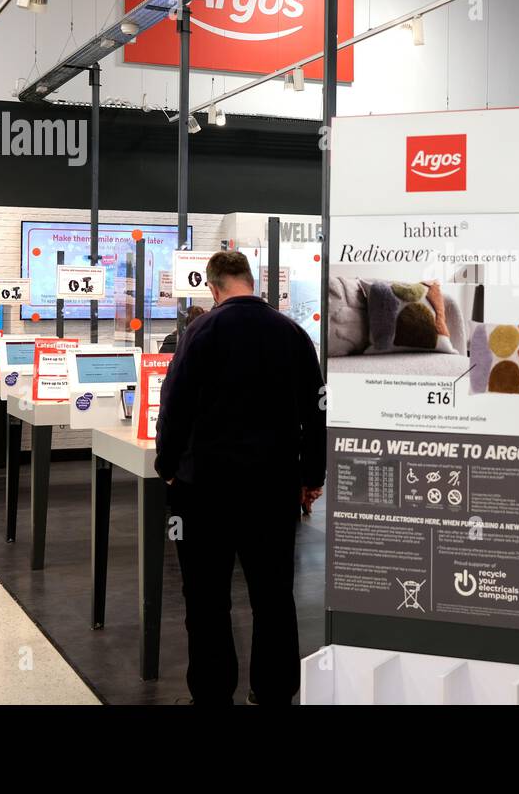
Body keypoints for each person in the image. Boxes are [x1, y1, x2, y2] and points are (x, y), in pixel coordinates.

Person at [154, 250, 325, 705]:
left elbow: (174, 408)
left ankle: (212, 693)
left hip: (204, 490)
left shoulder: (199, 332)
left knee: (207, 600)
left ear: (212, 288)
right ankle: (273, 691)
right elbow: (316, 409)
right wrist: (311, 476)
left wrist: (167, 468)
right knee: (273, 598)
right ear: (251, 281)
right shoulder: (294, 334)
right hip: (272, 487)